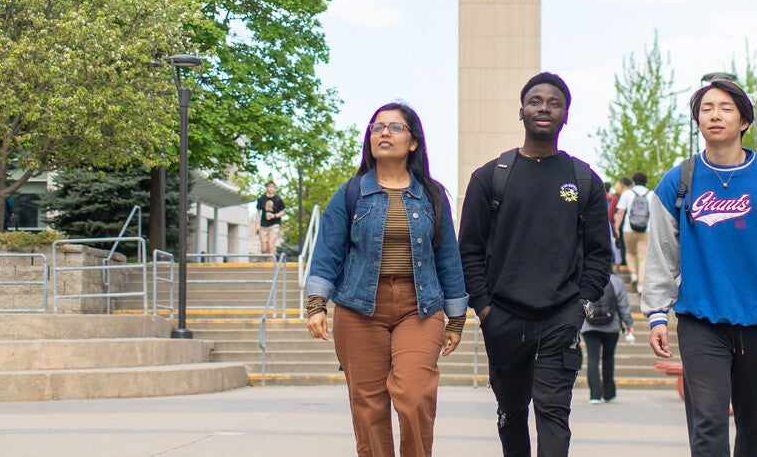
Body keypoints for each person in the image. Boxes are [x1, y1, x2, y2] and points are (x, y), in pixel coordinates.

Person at [642, 75, 757, 457]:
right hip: (701, 323)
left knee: (754, 428)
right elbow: (661, 252)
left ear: (744, 121)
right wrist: (656, 313)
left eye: (725, 108)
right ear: (697, 120)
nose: (714, 116)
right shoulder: (678, 181)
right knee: (709, 423)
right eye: (706, 109)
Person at [458, 72, 612, 456]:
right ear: (522, 111)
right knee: (510, 413)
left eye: (555, 103)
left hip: (561, 315)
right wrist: (485, 307)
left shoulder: (584, 180)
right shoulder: (490, 177)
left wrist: (582, 304)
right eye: (536, 101)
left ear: (566, 115)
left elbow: (599, 253)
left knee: (553, 412)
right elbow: (469, 250)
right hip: (503, 316)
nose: (545, 108)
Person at [304, 103, 468, 457]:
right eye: (377, 127)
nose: (383, 133)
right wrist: (316, 303)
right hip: (360, 306)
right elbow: (327, 252)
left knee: (414, 395)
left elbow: (448, 257)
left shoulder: (433, 195)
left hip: (419, 307)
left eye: (395, 127)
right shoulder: (350, 193)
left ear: (413, 142)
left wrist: (456, 316)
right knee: (369, 408)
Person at [581, 272, 631, 405]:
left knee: (592, 358)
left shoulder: (586, 277)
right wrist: (628, 323)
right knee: (608, 358)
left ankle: (595, 395)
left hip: (589, 325)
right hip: (611, 325)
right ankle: (608, 393)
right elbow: (622, 304)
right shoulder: (616, 281)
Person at [615, 172, 651, 291]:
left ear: (633, 181)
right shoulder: (651, 194)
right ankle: (641, 285)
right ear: (646, 182)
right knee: (643, 257)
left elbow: (620, 212)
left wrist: (616, 228)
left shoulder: (627, 193)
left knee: (630, 252)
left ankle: (633, 274)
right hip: (646, 229)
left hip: (628, 229)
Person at [256, 180, 286, 256]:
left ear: (274, 188)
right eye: (269, 186)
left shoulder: (278, 199)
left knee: (271, 244)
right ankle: (267, 264)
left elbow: (283, 212)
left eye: (272, 187)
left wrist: (274, 216)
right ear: (266, 188)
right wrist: (257, 225)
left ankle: (272, 265)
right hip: (263, 226)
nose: (271, 188)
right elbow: (258, 213)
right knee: (264, 249)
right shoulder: (261, 199)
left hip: (274, 225)